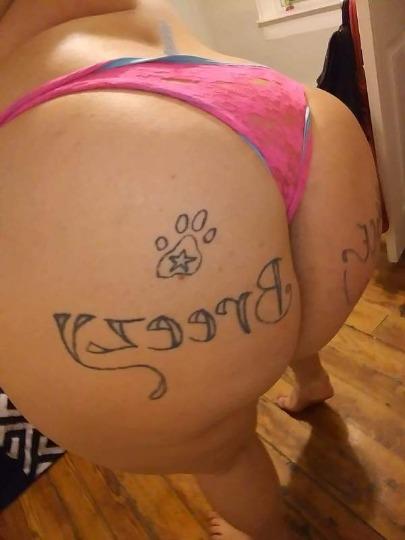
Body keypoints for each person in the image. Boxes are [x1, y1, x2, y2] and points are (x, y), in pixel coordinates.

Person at [0, 1, 381, 538]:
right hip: (295, 113)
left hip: (98, 145)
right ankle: (312, 378)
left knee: (224, 452)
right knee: (274, 283)